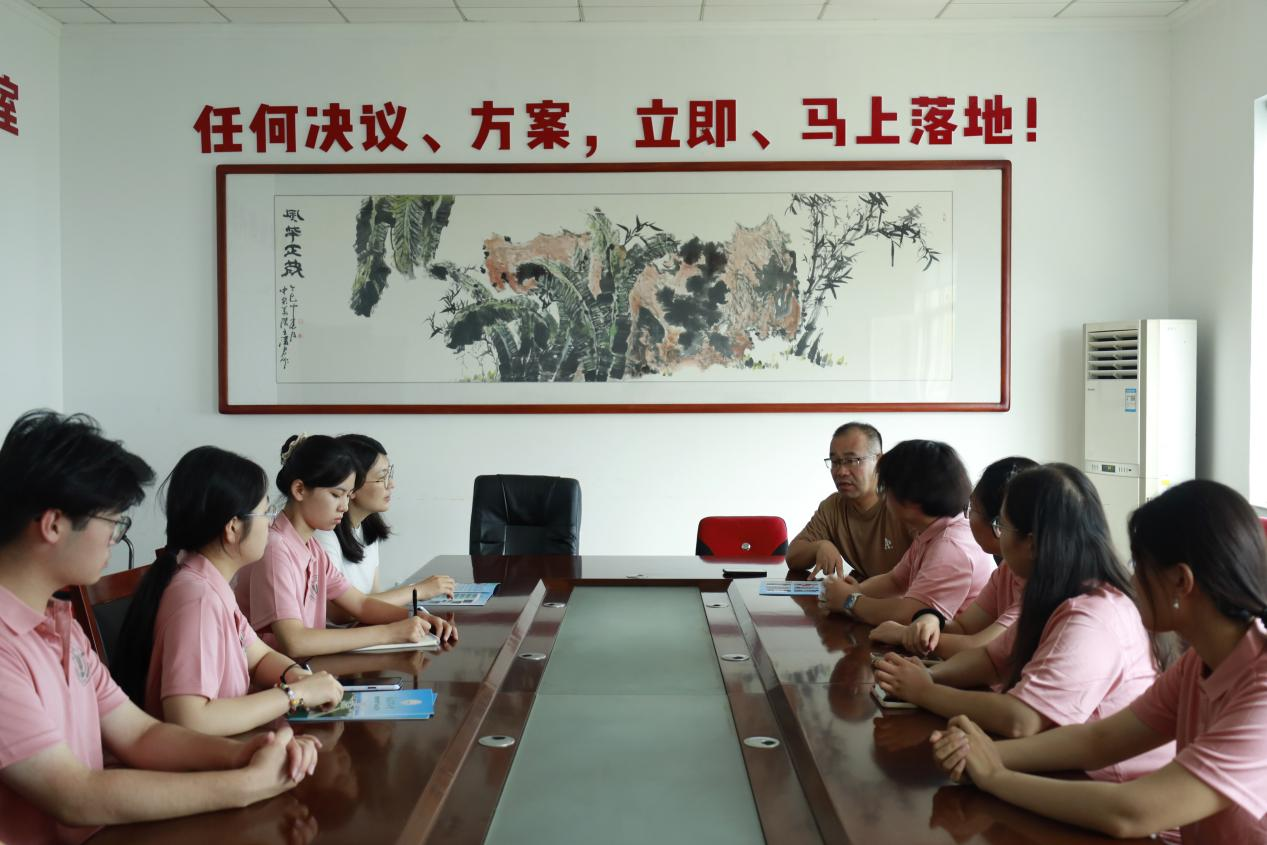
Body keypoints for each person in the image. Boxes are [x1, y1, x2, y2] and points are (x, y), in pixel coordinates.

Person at [0, 411, 319, 845]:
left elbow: (139, 733)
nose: (116, 538)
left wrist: (246, 753)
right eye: (112, 521)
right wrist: (245, 784)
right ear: (54, 524)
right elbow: (73, 794)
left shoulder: (59, 624)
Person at [930, 479, 1267, 842]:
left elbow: (1132, 812)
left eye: (1140, 565)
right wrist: (980, 753)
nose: (1133, 579)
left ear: (1181, 581)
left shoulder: (1260, 691)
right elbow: (1099, 741)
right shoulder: (1200, 661)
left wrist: (996, 776)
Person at [876, 463, 1174, 783]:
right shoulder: (1054, 590)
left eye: (1002, 525)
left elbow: (1021, 719)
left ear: (1031, 543)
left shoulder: (1093, 617)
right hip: (1065, 766)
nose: (998, 534)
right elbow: (991, 659)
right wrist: (928, 676)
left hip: (1104, 782)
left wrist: (926, 692)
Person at [112, 446, 345, 736]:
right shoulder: (197, 599)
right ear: (233, 527)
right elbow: (191, 720)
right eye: (265, 513)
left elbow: (259, 657)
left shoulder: (212, 583)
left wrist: (297, 677)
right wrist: (293, 695)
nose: (270, 522)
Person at [233, 434, 457, 658]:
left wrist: (416, 618)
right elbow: (294, 642)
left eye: (348, 496)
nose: (344, 506)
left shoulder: (311, 548)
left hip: (305, 668)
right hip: (275, 674)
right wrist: (389, 632)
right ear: (299, 490)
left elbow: (360, 604)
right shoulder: (275, 548)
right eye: (336, 495)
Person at [870, 456, 1037, 658]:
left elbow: (983, 649)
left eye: (971, 508)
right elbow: (964, 627)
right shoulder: (1007, 569)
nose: (967, 517)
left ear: (998, 525)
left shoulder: (1039, 589)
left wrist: (904, 634)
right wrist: (930, 619)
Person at [821, 440, 995, 626]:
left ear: (911, 497)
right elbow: (895, 581)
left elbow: (912, 614)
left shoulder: (950, 546)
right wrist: (854, 591)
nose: (883, 497)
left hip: (954, 642)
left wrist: (850, 601)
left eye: (886, 489)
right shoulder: (933, 531)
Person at [314, 434, 454, 626]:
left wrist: (419, 613)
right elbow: (341, 613)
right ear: (351, 484)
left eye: (390, 475)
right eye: (381, 478)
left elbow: (373, 598)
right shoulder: (323, 535)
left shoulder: (366, 527)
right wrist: (418, 591)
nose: (391, 484)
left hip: (360, 632)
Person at [787, 422, 913, 579]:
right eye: (835, 462)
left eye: (852, 460)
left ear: (879, 461)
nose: (841, 472)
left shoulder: (905, 504)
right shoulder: (833, 507)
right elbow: (792, 555)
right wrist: (820, 546)